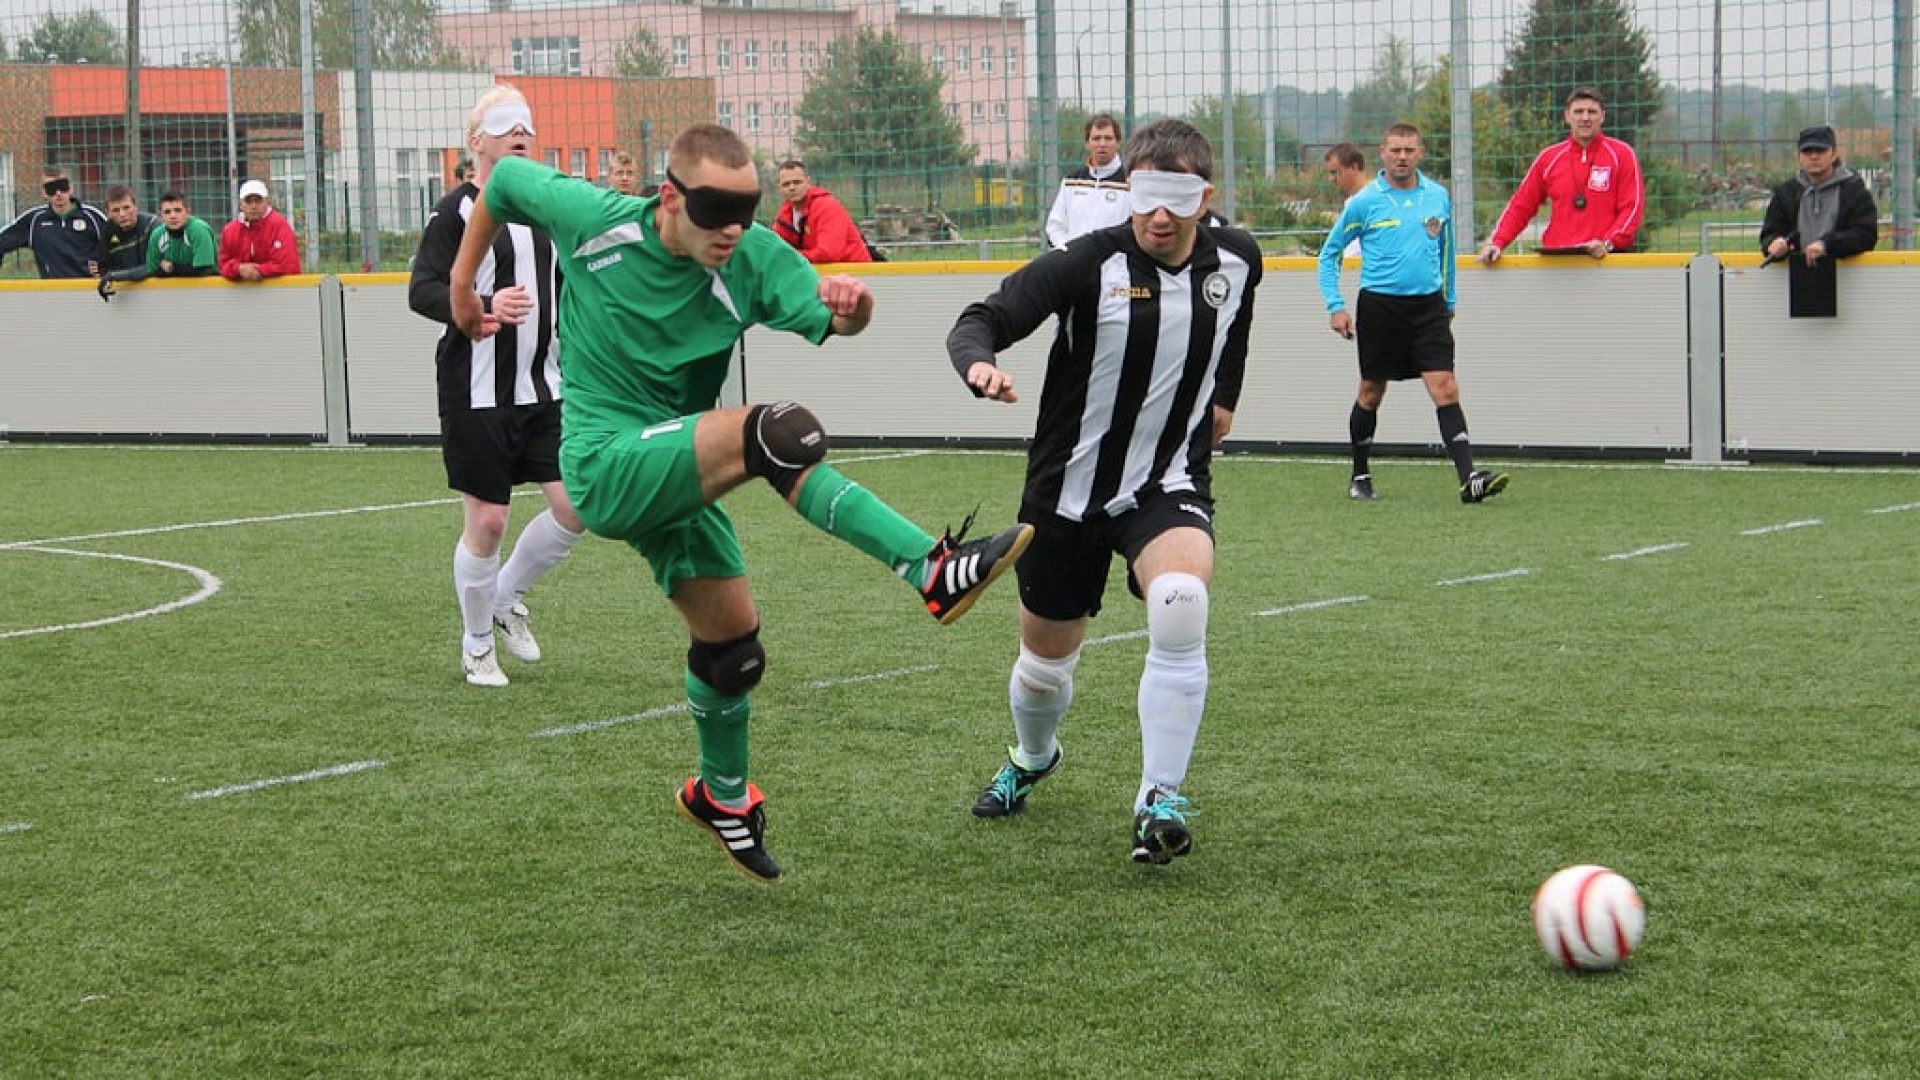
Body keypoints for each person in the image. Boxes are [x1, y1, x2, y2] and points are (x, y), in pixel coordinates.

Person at [446, 122, 1031, 882]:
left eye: (745, 209)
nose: (732, 230)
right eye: (716, 210)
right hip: (600, 460)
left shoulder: (752, 257)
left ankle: (722, 798)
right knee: (778, 431)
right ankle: (928, 566)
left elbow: (839, 321)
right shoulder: (594, 219)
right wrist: (464, 287)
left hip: (675, 467)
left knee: (733, 654)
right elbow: (501, 185)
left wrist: (855, 307)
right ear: (668, 197)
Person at [949, 119, 1261, 866]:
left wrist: (1224, 399)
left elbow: (1235, 329)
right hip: (1065, 494)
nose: (1159, 213)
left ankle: (1159, 798)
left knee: (1182, 602)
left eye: (1176, 197)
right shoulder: (1089, 263)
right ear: (1130, 193)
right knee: (1044, 667)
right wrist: (979, 366)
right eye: (1145, 195)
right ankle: (1034, 757)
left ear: (1203, 197)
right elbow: (981, 319)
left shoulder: (1239, 260)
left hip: (1167, 481)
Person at [410, 85, 586, 688]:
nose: (520, 133)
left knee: (577, 504)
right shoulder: (455, 211)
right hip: (476, 390)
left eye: (526, 125)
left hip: (545, 388)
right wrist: (481, 303)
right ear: (475, 141)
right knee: (487, 523)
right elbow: (422, 289)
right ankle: (477, 642)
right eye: (505, 123)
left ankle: (507, 595)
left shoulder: (547, 208)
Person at [1320, 123, 1509, 505]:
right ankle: (1360, 474)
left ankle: (1468, 479)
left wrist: (1449, 300)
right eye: (1395, 151)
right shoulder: (1365, 202)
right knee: (1371, 392)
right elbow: (1329, 255)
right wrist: (1335, 305)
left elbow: (1446, 253)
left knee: (1446, 387)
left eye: (1409, 150)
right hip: (1380, 309)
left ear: (1420, 153)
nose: (1402, 157)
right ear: (1383, 155)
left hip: (1428, 309)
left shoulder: (1437, 197)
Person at [1479, 87, 1643, 263]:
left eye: (1592, 112)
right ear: (1567, 116)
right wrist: (1497, 242)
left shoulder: (1622, 155)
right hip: (1556, 262)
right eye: (1578, 112)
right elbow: (1521, 205)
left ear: (1602, 116)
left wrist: (1608, 243)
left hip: (1604, 260)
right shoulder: (1549, 158)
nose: (1585, 118)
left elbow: (1632, 207)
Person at [1759, 124, 1879, 266]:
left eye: (1820, 150)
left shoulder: (1854, 191)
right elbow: (1769, 234)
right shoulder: (1785, 193)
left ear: (1834, 154)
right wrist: (1774, 244)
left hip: (1845, 276)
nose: (1814, 156)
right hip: (1796, 275)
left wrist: (1827, 245)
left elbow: (1866, 235)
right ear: (1798, 156)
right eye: (1807, 151)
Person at [0, 168, 109, 279]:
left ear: (71, 188)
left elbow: (116, 246)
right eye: (51, 188)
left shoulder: (93, 216)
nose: (58, 193)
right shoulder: (34, 220)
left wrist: (106, 268)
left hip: (88, 288)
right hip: (52, 290)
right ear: (43, 193)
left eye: (62, 186)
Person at [1043, 113, 1129, 249]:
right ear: (1087, 144)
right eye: (1096, 138)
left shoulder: (1131, 184)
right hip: (1076, 267)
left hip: (1117, 267)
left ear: (1118, 143)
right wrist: (1070, 253)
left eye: (1108, 138)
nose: (1102, 144)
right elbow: (1055, 226)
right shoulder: (1071, 182)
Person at [771, 159, 874, 264]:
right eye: (786, 184)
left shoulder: (827, 206)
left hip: (857, 272)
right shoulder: (785, 213)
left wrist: (790, 256)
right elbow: (774, 249)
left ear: (808, 182)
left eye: (797, 182)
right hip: (825, 272)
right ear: (779, 188)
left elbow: (828, 254)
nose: (792, 188)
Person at [218, 179, 302, 280]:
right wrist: (239, 269)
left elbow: (287, 265)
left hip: (280, 291)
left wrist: (254, 271)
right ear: (241, 205)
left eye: (258, 200)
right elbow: (223, 265)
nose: (253, 206)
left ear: (267, 202)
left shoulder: (279, 226)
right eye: (248, 201)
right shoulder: (230, 230)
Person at [95, 184, 159, 299]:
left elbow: (156, 266)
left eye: (126, 208)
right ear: (108, 213)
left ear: (136, 206)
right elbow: (104, 269)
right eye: (115, 210)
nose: (122, 214)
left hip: (161, 290)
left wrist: (118, 275)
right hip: (127, 297)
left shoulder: (153, 226)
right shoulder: (106, 233)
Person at [145, 191, 220, 278]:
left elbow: (204, 270)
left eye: (177, 210)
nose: (173, 216)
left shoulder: (199, 230)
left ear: (188, 211)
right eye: (167, 212)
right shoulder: (157, 235)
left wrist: (172, 268)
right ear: (161, 215)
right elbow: (153, 271)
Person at [1323, 141, 1368, 257]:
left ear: (1354, 167)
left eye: (1335, 173)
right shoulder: (1350, 202)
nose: (1331, 179)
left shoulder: (1375, 201)